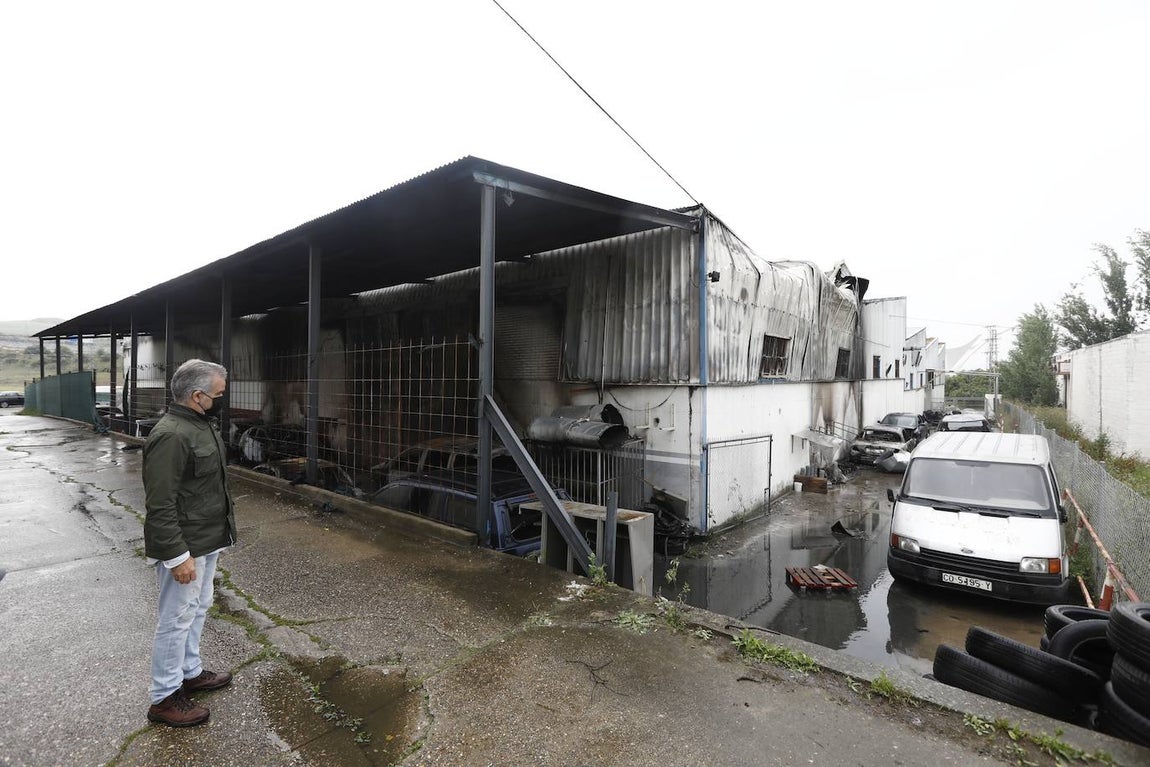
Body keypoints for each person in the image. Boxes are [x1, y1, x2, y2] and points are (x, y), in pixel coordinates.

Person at [143, 359, 236, 727]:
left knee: (199, 607)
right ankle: (164, 697)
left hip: (208, 537)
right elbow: (160, 503)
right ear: (197, 396)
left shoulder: (198, 425)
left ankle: (190, 671)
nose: (221, 400)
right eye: (217, 395)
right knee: (176, 618)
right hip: (187, 545)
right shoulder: (172, 435)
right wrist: (177, 555)